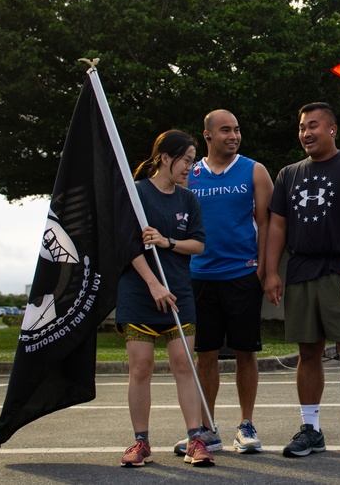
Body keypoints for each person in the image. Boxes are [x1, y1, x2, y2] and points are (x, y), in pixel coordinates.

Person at [264, 102, 340, 459]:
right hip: (301, 270)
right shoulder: (288, 174)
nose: (306, 133)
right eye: (302, 127)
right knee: (308, 351)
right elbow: (278, 226)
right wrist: (272, 271)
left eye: (313, 126)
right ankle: (311, 429)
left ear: (332, 129)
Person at [116, 130, 212, 468]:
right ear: (165, 158)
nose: (190, 167)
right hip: (140, 293)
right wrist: (153, 284)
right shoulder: (136, 193)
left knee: (184, 364)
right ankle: (140, 442)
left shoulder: (188, 199)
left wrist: (168, 242)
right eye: (186, 160)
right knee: (140, 367)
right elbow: (128, 244)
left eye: (192, 160)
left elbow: (198, 244)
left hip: (179, 293)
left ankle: (195, 440)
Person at [181, 109, 273, 455]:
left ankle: (246, 424)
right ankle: (206, 428)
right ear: (207, 136)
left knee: (245, 353)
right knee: (204, 355)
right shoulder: (190, 174)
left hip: (242, 274)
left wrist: (265, 268)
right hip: (198, 277)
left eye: (236, 129)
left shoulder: (255, 170)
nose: (233, 136)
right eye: (225, 131)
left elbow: (267, 224)